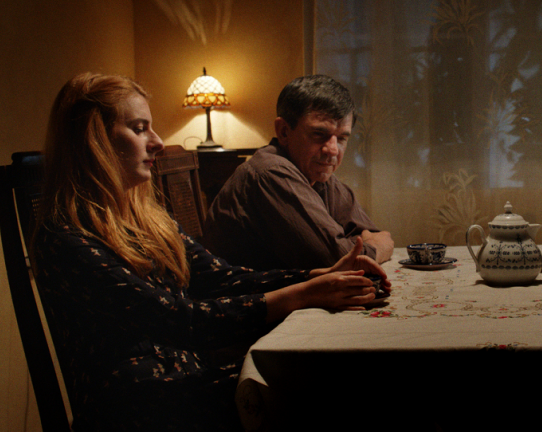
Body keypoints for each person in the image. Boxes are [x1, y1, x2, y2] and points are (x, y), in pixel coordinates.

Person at [33, 73, 390, 431]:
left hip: (187, 377)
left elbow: (221, 277)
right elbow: (180, 320)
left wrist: (314, 276)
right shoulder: (64, 237)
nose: (157, 142)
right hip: (139, 405)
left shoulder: (147, 218)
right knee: (336, 386)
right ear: (93, 140)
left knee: (343, 375)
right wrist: (303, 293)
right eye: (140, 129)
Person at [203, 74, 394, 270]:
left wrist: (363, 245)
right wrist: (376, 248)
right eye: (319, 134)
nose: (332, 150)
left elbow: (368, 233)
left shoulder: (316, 173)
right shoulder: (271, 172)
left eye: (341, 138)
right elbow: (340, 261)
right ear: (284, 131)